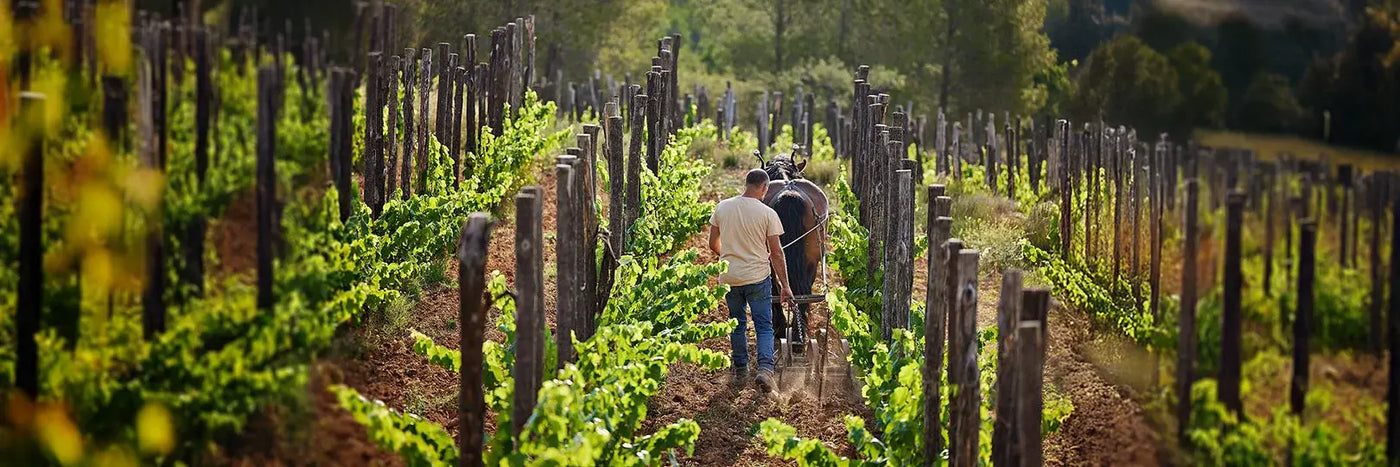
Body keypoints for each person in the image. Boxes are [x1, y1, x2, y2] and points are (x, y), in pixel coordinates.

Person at [709, 168, 795, 392]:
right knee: (763, 326)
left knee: (736, 324)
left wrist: (730, 258)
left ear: (746, 184)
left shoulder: (722, 207)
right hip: (757, 277)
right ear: (765, 187)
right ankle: (765, 370)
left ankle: (741, 370)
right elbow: (776, 252)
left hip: (730, 277)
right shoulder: (767, 213)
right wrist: (785, 285)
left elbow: (712, 243)